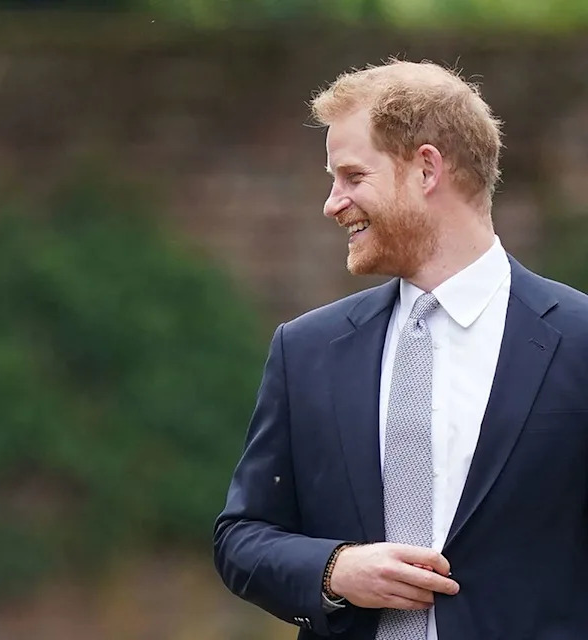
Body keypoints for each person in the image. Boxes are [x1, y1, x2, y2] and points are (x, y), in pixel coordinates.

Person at [214, 59, 588, 640]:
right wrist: (334, 570)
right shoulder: (306, 349)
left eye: (352, 177)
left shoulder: (580, 339)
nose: (332, 203)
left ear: (427, 169)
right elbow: (242, 537)